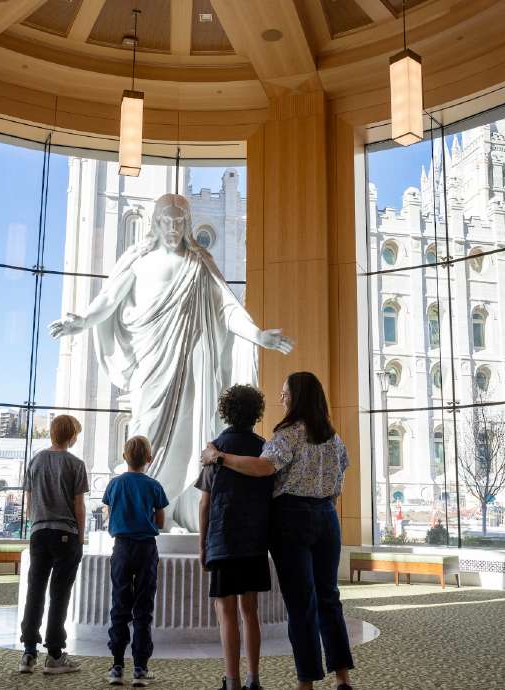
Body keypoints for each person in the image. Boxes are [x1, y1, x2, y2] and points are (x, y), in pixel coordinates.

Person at [49, 192, 293, 530]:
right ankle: (145, 511)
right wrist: (81, 321)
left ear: (187, 224)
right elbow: (108, 299)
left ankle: (176, 509)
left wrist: (256, 334)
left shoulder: (199, 262)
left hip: (191, 365)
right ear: (156, 222)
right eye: (167, 221)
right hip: (151, 362)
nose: (174, 228)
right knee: (145, 426)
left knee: (188, 434)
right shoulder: (138, 260)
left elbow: (227, 307)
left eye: (180, 222)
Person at [201, 372, 354, 690]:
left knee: (301, 604)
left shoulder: (287, 434)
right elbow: (340, 479)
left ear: (296, 397)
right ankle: (342, 677)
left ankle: (306, 682)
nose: (281, 397)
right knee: (330, 598)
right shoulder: (332, 436)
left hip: (292, 519)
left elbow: (264, 467)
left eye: (285, 393)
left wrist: (220, 457)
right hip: (328, 517)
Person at [196, 384, 272, 690]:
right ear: (257, 413)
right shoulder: (264, 447)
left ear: (226, 411)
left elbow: (205, 502)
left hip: (223, 538)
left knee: (225, 611)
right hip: (254, 539)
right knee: (250, 611)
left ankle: (233, 680)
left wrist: (203, 545)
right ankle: (254, 678)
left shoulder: (213, 449)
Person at [18, 415, 89, 675]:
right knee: (59, 594)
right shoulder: (75, 464)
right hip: (65, 534)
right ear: (71, 435)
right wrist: (80, 538)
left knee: (34, 590)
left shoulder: (35, 460)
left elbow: (29, 502)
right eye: (76, 434)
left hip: (38, 532)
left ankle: (28, 653)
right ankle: (55, 655)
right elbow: (79, 507)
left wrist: (36, 521)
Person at [102, 436, 169, 687]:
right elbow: (161, 522)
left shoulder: (114, 485)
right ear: (149, 459)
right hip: (146, 549)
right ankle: (140, 668)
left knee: (119, 605)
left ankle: (117, 666)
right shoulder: (154, 486)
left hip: (121, 547)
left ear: (124, 457)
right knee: (143, 608)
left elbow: (108, 514)